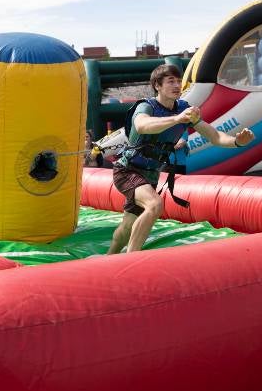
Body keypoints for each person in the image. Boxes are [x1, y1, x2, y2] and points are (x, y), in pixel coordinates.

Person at [108, 64, 254, 255]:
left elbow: (215, 136)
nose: (177, 85)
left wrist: (236, 142)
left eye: (179, 81)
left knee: (128, 226)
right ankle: (131, 259)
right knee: (155, 204)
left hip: (150, 175)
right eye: (171, 81)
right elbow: (142, 125)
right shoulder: (146, 106)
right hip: (127, 170)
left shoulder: (184, 109)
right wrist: (177, 119)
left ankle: (109, 257)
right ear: (157, 86)